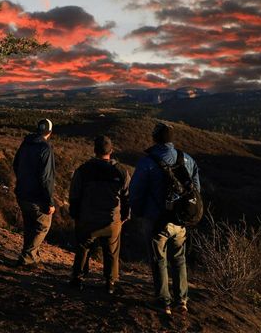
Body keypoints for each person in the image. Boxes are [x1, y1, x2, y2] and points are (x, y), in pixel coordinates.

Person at [130, 122, 200, 315]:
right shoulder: (187, 159)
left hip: (156, 220)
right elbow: (196, 190)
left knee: (158, 259)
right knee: (179, 259)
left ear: (154, 138)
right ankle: (181, 301)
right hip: (180, 221)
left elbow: (136, 192)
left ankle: (163, 301)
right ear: (172, 139)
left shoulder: (147, 162)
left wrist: (137, 212)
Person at [68, 135, 130, 293]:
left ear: (94, 150)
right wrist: (124, 217)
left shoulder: (83, 170)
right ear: (112, 150)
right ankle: (110, 282)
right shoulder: (121, 171)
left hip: (87, 219)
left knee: (83, 247)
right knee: (111, 251)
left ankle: (77, 278)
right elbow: (128, 197)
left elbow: (74, 195)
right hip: (111, 220)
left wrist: (76, 216)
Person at [12, 118, 56, 268]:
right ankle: (28, 257)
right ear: (50, 132)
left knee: (30, 226)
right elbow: (46, 178)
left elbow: (15, 164)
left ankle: (33, 258)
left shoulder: (26, 143)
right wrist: (49, 201)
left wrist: (23, 180)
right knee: (43, 226)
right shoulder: (45, 148)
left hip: (22, 193)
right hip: (37, 197)